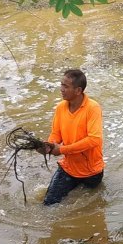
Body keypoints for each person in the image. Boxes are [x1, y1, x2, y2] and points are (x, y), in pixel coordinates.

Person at [39, 69, 105, 205]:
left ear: (78, 90)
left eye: (66, 86)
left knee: (90, 205)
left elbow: (94, 139)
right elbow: (56, 134)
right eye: (61, 85)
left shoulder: (93, 108)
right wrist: (49, 145)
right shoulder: (60, 108)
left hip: (91, 171)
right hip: (68, 167)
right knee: (49, 203)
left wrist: (62, 150)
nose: (61, 89)